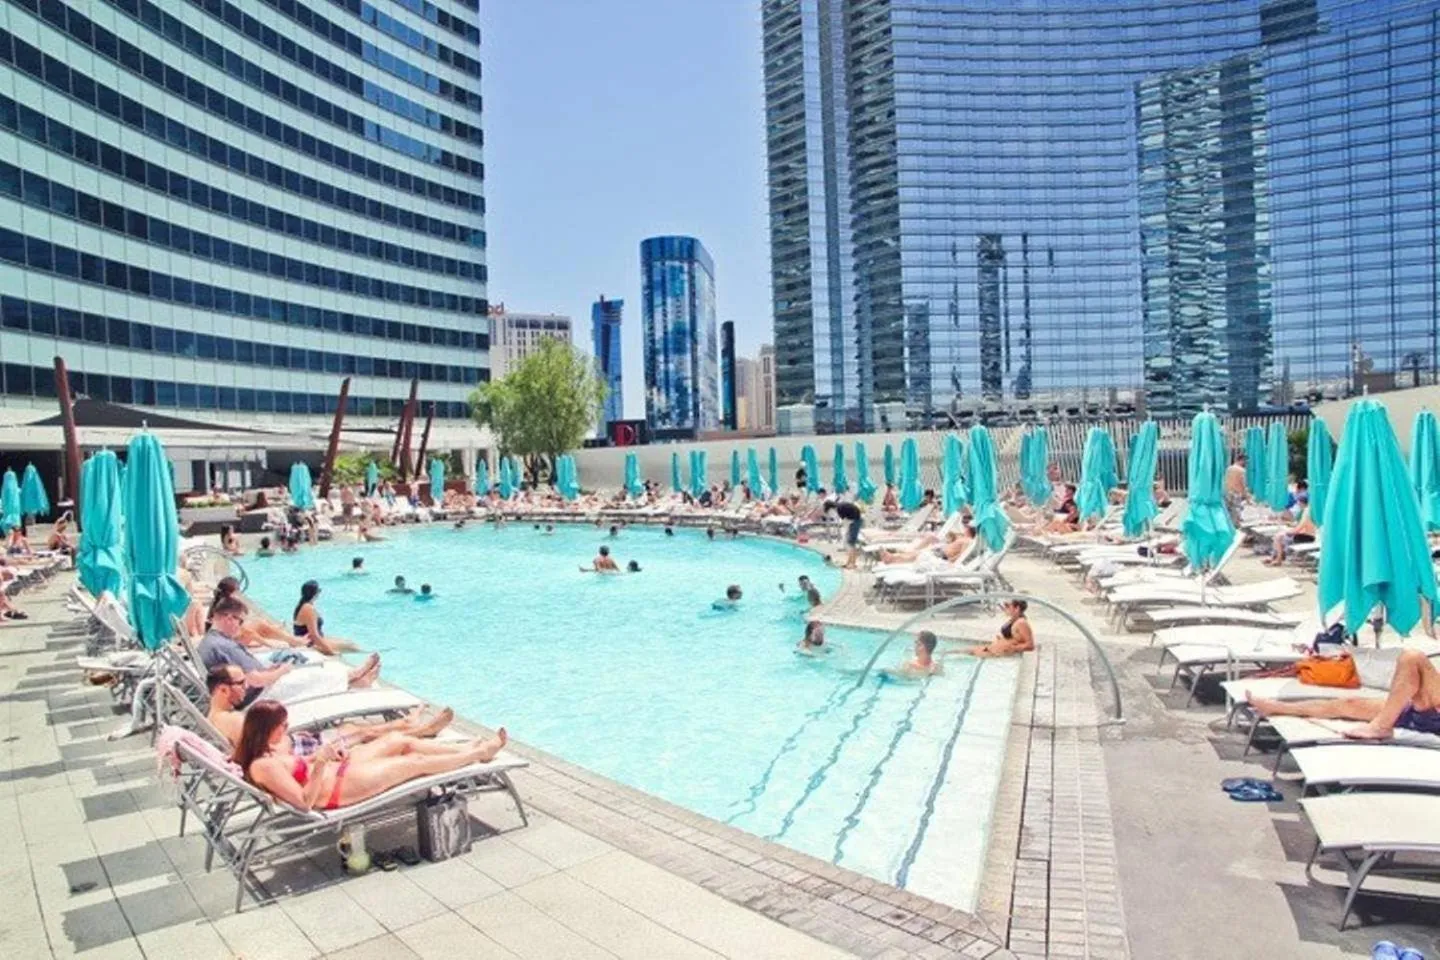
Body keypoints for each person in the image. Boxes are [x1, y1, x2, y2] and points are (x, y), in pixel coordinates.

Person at [234, 700, 507, 812]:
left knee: (398, 740)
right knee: (414, 764)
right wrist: (319, 762)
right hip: (338, 790)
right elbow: (305, 803)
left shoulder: (267, 752)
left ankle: (465, 749)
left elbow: (299, 767)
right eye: (282, 725)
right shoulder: (263, 766)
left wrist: (324, 755)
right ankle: (480, 752)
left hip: (336, 770)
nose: (287, 729)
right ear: (266, 729)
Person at [205, 664, 453, 747]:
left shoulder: (219, 715)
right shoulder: (232, 721)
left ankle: (407, 723)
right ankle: (419, 729)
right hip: (300, 749)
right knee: (360, 732)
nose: (246, 685)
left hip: (294, 741)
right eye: (240, 683)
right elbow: (266, 749)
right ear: (222, 689)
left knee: (352, 726)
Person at [1245, 649, 1440, 740]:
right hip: (1427, 714)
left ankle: (1381, 726)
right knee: (1349, 704)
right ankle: (1276, 707)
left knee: (1413, 658)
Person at [292, 581, 362, 654]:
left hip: (311, 641)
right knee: (352, 646)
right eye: (319, 590)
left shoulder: (303, 605)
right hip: (310, 644)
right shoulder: (308, 609)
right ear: (315, 593)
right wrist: (331, 652)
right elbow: (314, 635)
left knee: (348, 642)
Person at [947, 601, 1035, 658]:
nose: (1004, 608)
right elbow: (1014, 637)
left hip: (995, 653)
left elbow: (1030, 645)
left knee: (959, 657)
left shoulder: (1022, 623)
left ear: (1017, 608)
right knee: (957, 652)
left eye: (1008, 606)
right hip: (992, 649)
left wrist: (1013, 648)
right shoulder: (1014, 619)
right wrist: (1002, 640)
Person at [1225, 453, 1249, 524]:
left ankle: (1228, 525)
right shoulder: (1242, 470)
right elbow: (1243, 484)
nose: (1246, 463)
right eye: (1245, 461)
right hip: (1236, 493)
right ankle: (1235, 525)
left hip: (1227, 491)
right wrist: (1246, 495)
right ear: (1242, 460)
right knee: (1236, 509)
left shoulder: (1229, 468)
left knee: (1228, 509)